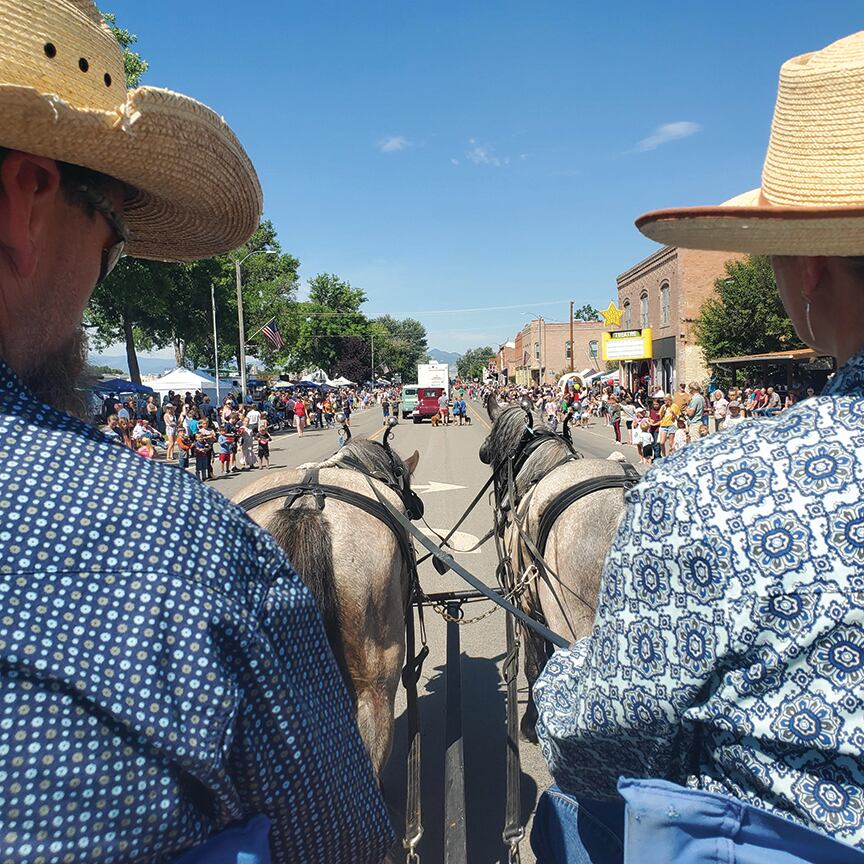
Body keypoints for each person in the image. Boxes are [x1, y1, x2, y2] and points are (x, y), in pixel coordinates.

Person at [0, 5, 391, 861]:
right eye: (113, 239)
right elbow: (341, 844)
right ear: (21, 199)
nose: (101, 282)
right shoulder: (172, 549)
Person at [532, 30, 864, 862]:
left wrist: (565, 677)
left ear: (811, 263)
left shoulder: (723, 491)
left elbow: (596, 744)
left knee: (564, 821)